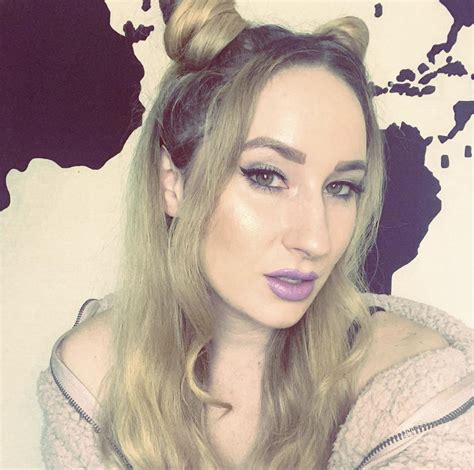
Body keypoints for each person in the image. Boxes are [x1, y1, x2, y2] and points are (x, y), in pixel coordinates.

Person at [37, 1, 473, 468]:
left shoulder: (416, 388)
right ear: (172, 183)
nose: (316, 240)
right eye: (267, 176)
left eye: (341, 187)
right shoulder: (92, 379)